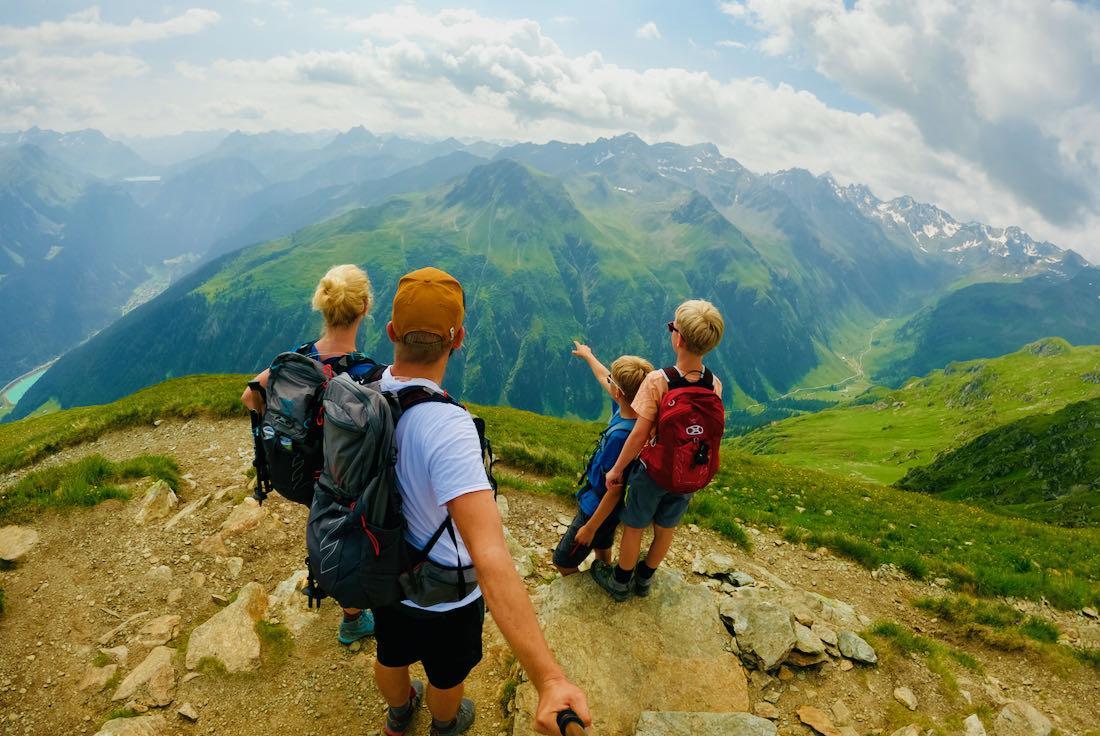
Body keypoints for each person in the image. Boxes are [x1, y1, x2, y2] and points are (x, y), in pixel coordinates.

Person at [373, 266, 589, 736]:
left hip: (383, 565)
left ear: (391, 332)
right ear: (459, 338)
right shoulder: (448, 428)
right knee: (446, 674)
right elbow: (490, 557)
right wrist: (549, 680)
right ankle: (445, 724)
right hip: (445, 592)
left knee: (390, 652)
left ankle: (398, 715)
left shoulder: (365, 395)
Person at [240, 263, 378, 645]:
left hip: (301, 474)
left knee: (322, 519)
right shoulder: (367, 374)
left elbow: (249, 395)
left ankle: (328, 580)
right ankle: (353, 616)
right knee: (352, 533)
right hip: (344, 484)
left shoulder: (298, 359)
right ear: (365, 307)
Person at [590, 299, 725, 601]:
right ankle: (645, 579)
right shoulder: (714, 384)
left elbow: (639, 434)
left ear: (678, 338)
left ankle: (621, 582)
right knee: (666, 528)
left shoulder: (658, 381)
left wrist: (616, 470)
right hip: (688, 473)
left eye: (672, 327)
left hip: (652, 474)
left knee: (634, 526)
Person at [553, 342, 652, 576]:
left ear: (618, 393)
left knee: (563, 561)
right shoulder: (634, 413)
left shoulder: (620, 438)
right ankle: (604, 571)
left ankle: (584, 598)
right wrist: (588, 355)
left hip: (596, 507)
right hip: (612, 511)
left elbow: (614, 491)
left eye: (613, 384)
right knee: (603, 543)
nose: (609, 384)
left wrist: (589, 527)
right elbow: (604, 376)